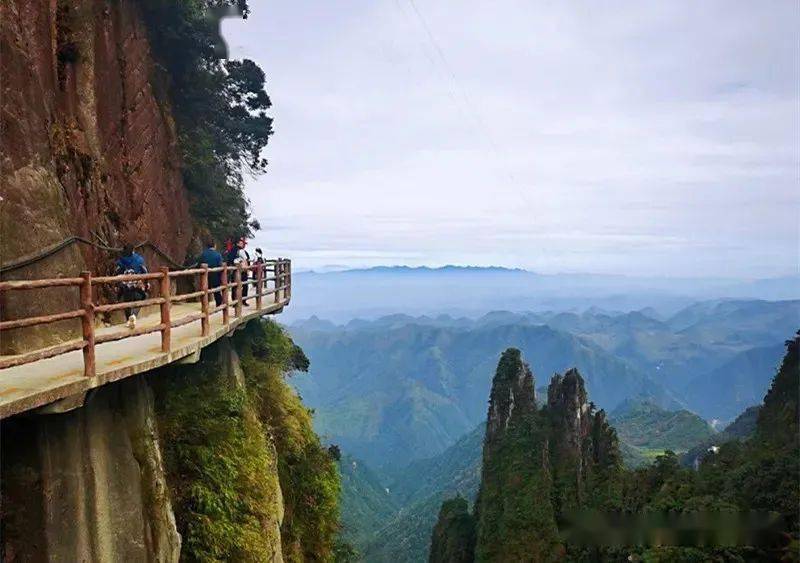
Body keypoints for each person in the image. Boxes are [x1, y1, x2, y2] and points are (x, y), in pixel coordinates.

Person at [116, 244, 148, 329]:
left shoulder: (120, 260)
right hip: (137, 285)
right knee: (144, 296)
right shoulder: (139, 259)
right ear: (133, 250)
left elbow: (117, 272)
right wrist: (146, 283)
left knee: (126, 301)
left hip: (125, 287)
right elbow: (145, 272)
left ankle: (128, 320)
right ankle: (133, 315)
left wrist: (119, 284)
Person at [199, 239, 224, 306]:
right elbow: (220, 265)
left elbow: (199, 263)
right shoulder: (218, 255)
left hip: (205, 275)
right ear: (214, 246)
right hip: (215, 275)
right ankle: (219, 304)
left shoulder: (203, 254)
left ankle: (205, 305)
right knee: (217, 291)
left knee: (205, 291)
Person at [233, 237, 251, 306]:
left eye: (242, 243)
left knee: (236, 286)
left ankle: (235, 302)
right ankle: (242, 301)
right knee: (244, 286)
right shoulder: (242, 251)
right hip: (242, 270)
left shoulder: (233, 250)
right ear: (237, 243)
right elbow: (246, 260)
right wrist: (247, 269)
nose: (242, 244)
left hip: (236, 270)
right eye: (240, 243)